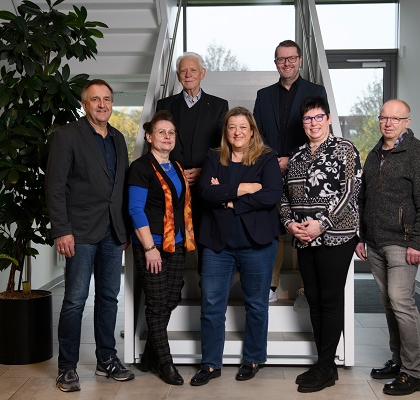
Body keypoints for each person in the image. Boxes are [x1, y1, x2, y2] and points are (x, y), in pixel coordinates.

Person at [46, 79, 134, 392]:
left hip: (113, 233)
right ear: (84, 104)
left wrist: (123, 228)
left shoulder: (118, 138)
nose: (102, 105)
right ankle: (66, 368)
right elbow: (55, 186)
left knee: (109, 298)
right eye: (95, 99)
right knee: (74, 301)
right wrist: (62, 230)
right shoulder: (68, 135)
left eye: (107, 99)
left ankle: (106, 359)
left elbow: (120, 189)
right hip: (79, 232)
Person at [190, 107, 282, 386]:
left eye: (243, 127)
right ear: (226, 131)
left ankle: (253, 358)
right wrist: (244, 188)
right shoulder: (213, 156)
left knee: (256, 305)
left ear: (252, 130)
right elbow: (206, 191)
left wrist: (229, 198)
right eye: (232, 127)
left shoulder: (267, 158)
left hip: (257, 244)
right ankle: (210, 364)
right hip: (218, 245)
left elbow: (271, 195)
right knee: (211, 305)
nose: (237, 132)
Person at [355, 99, 420, 396]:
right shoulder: (375, 153)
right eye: (384, 118)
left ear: (407, 121)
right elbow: (363, 198)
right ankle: (397, 360)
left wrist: (419, 242)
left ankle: (414, 373)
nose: (388, 123)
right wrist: (361, 236)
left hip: (403, 243)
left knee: (401, 302)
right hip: (375, 242)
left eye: (395, 118)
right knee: (390, 304)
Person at [279, 96, 361, 393]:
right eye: (307, 119)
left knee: (329, 298)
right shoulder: (297, 155)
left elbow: (349, 192)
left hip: (337, 235)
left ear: (328, 119)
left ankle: (327, 367)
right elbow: (284, 196)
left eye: (318, 117)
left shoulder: (345, 149)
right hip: (302, 238)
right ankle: (322, 362)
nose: (313, 123)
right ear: (302, 124)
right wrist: (290, 224)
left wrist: (321, 224)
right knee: (312, 298)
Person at [253, 39, 328, 307]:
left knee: (303, 226)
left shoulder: (315, 90)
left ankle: (306, 289)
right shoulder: (264, 95)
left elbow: (317, 129)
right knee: (274, 227)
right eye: (281, 59)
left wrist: (292, 159)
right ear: (276, 63)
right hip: (271, 169)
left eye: (291, 58)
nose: (286, 63)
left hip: (306, 171)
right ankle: (270, 286)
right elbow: (256, 134)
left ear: (299, 60)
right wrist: (273, 160)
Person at [127, 110, 195, 386]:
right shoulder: (141, 167)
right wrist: (149, 248)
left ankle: (148, 355)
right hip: (152, 245)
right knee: (156, 304)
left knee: (172, 298)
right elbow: (135, 209)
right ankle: (165, 363)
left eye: (171, 133)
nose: (167, 137)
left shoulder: (177, 166)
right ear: (149, 136)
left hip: (176, 243)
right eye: (161, 132)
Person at [156, 52, 229, 274]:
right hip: (173, 183)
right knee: (173, 238)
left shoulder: (219, 106)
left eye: (193, 70)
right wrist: (177, 172)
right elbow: (161, 141)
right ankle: (171, 290)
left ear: (202, 74)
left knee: (205, 239)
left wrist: (204, 172)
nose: (188, 75)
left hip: (205, 185)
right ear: (178, 76)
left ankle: (206, 286)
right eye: (183, 71)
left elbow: (223, 147)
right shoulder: (165, 105)